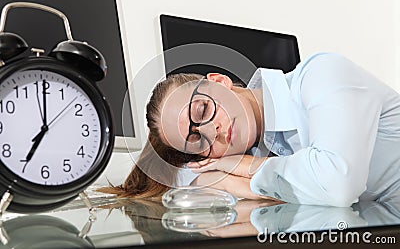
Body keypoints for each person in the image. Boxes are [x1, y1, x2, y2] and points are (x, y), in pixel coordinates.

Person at [100, 52, 400, 207]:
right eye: (197, 140)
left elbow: (337, 185)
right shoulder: (267, 147)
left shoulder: (322, 73)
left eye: (202, 110)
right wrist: (227, 179)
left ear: (218, 81)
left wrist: (245, 170)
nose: (212, 132)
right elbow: (191, 181)